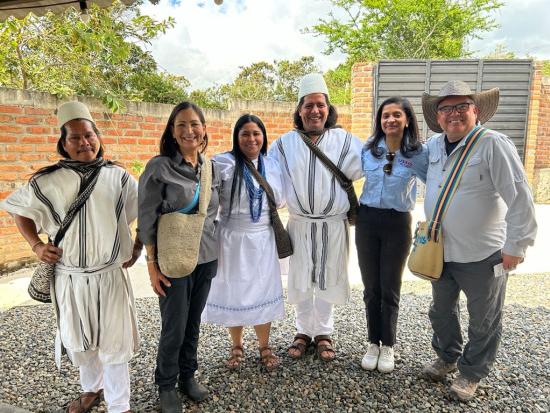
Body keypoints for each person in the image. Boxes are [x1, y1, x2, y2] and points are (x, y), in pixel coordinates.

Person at [0, 101, 140, 413]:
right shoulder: (47, 180)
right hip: (70, 276)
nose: (84, 142)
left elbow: (144, 209)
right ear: (63, 144)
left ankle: (120, 405)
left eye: (89, 135)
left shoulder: (119, 177)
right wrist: (36, 246)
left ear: (98, 137)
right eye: (74, 138)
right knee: (79, 339)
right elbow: (18, 209)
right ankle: (92, 390)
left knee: (115, 343)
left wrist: (138, 244)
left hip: (110, 274)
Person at [420, 80, 537, 401]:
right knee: (440, 312)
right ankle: (447, 357)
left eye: (462, 106)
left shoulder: (493, 144)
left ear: (476, 111)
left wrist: (516, 246)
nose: (454, 114)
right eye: (446, 108)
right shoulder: (432, 146)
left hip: (483, 254)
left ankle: (471, 373)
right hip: (440, 252)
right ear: (437, 116)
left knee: (484, 320)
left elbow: (520, 198)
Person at [268, 73, 363, 361]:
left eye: (320, 105)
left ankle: (323, 332)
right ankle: (302, 331)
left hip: (332, 225)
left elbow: (371, 163)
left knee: (327, 276)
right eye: (308, 105)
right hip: (300, 223)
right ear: (299, 110)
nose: (315, 111)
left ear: (328, 108)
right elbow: (270, 179)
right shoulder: (284, 145)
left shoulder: (345, 141)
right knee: (301, 276)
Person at [137, 101, 220, 413]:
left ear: (204, 129)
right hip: (172, 259)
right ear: (172, 132)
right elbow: (146, 219)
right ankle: (166, 384)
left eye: (194, 124)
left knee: (193, 321)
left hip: (206, 256)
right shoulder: (159, 167)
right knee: (175, 324)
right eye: (181, 125)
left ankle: (188, 375)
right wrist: (151, 264)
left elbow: (212, 214)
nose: (189, 130)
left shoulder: (210, 167)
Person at [202, 114, 285, 371]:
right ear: (236, 138)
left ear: (264, 136)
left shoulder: (271, 164)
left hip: (262, 237)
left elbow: (280, 199)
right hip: (231, 238)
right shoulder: (222, 163)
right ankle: (236, 345)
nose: (251, 139)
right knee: (233, 290)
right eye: (245, 134)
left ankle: (264, 345)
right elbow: (208, 195)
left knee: (263, 289)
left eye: (256, 133)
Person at [356, 96, 428, 373]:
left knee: (390, 285)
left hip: (398, 223)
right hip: (368, 220)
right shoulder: (369, 150)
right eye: (386, 115)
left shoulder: (418, 154)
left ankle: (388, 345)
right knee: (371, 286)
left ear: (407, 119)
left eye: (397, 115)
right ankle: (373, 341)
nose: (390, 120)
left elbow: (434, 184)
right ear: (380, 121)